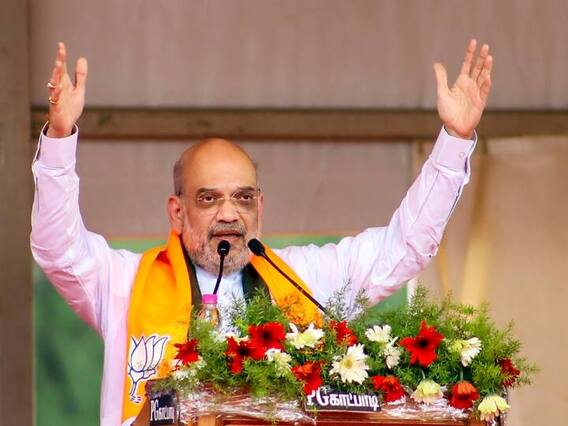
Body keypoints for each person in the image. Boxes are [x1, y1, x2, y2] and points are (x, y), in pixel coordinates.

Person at [31, 40, 492, 425]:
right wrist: (59, 137)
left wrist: (454, 141)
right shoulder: (125, 282)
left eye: (243, 197)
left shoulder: (302, 280)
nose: (229, 214)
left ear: (260, 207)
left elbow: (402, 249)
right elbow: (58, 249)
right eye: (209, 199)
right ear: (177, 212)